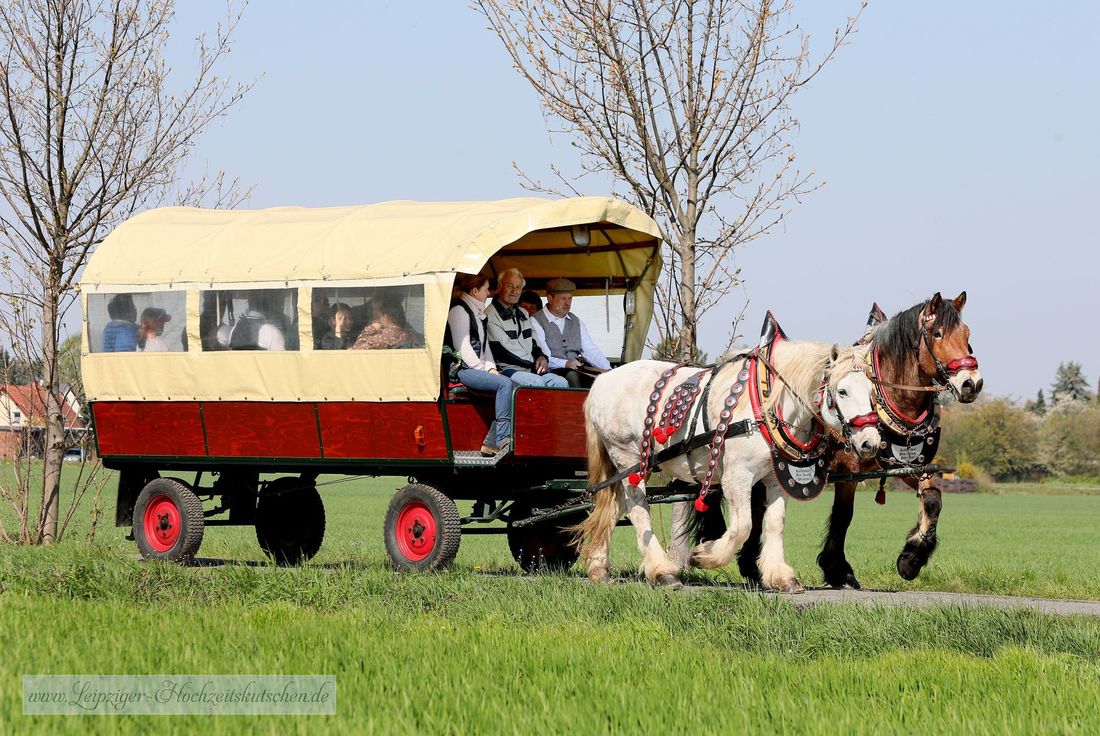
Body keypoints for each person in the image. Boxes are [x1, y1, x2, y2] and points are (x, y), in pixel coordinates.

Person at [445, 274, 514, 455]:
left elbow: (485, 348)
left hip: (478, 369)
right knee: (504, 384)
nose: (489, 293)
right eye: (486, 289)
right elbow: (463, 348)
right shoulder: (459, 310)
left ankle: (490, 443)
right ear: (475, 291)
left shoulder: (477, 312)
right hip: (463, 370)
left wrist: (491, 368)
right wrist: (484, 371)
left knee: (514, 386)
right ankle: (502, 440)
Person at [485, 269, 567, 388]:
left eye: (518, 287)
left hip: (529, 368)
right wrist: (531, 363)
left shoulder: (523, 312)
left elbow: (534, 343)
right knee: (536, 382)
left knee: (560, 382)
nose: (514, 291)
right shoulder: (489, 314)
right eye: (510, 286)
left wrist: (541, 357)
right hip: (505, 370)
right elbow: (502, 351)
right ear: (499, 287)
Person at [531, 278, 612, 388]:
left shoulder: (576, 321)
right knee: (573, 376)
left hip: (575, 370)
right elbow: (544, 356)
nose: (568, 303)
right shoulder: (536, 321)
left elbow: (590, 350)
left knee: (603, 380)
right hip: (551, 372)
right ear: (550, 298)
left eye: (570, 298)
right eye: (563, 299)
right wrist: (566, 363)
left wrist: (609, 370)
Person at [352, 295, 424, 350]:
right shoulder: (409, 334)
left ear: (385, 316)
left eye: (380, 316)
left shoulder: (385, 336)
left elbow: (358, 348)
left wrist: (371, 328)